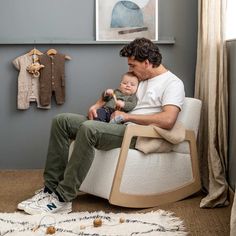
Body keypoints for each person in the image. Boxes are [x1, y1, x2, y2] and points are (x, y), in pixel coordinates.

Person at [18, 37, 185, 214]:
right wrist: (97, 104)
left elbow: (168, 120)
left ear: (147, 63)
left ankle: (63, 198)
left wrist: (128, 116)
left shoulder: (172, 83)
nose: (129, 69)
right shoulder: (139, 78)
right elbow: (116, 97)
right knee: (62, 121)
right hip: (115, 125)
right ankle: (50, 190)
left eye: (132, 65)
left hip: (137, 133)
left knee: (89, 129)